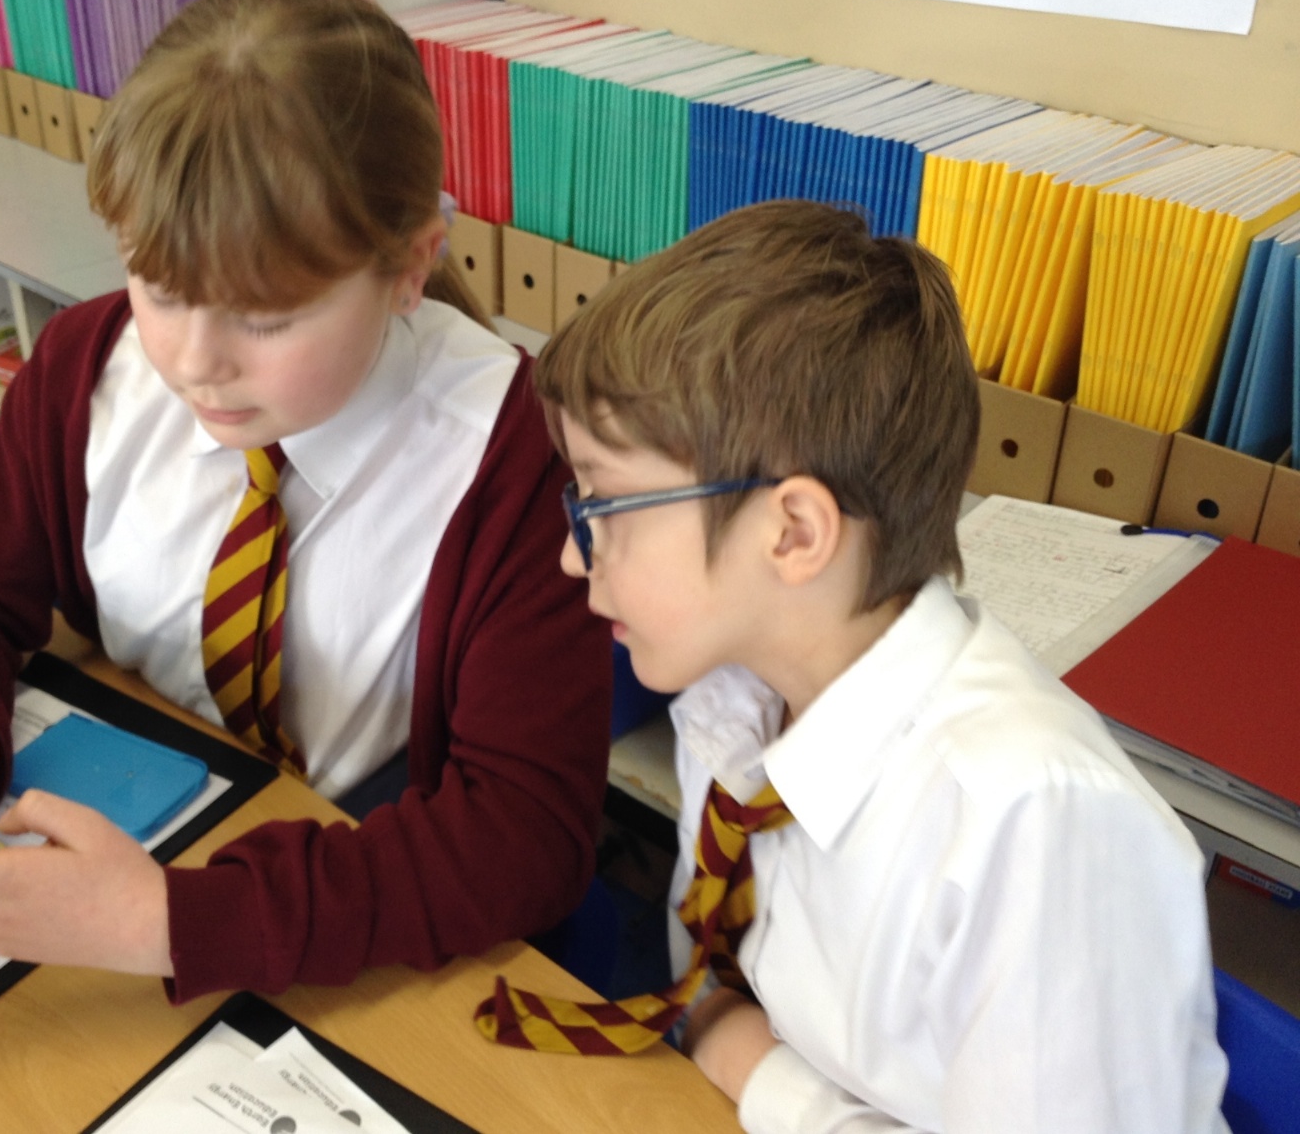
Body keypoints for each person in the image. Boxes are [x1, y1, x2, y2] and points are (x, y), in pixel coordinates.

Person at [0, 0, 611, 1001]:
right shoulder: (88, 364)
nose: (195, 362)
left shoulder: (519, 461)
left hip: (332, 928)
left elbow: (522, 840)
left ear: (410, 266)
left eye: (266, 317)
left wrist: (167, 921)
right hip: (137, 837)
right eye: (161, 289)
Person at [514, 200, 1229, 1132]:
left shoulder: (1031, 828)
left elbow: (743, 1043)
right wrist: (725, 1042)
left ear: (794, 532)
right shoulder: (737, 695)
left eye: (604, 505)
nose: (573, 557)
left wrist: (758, 1072)